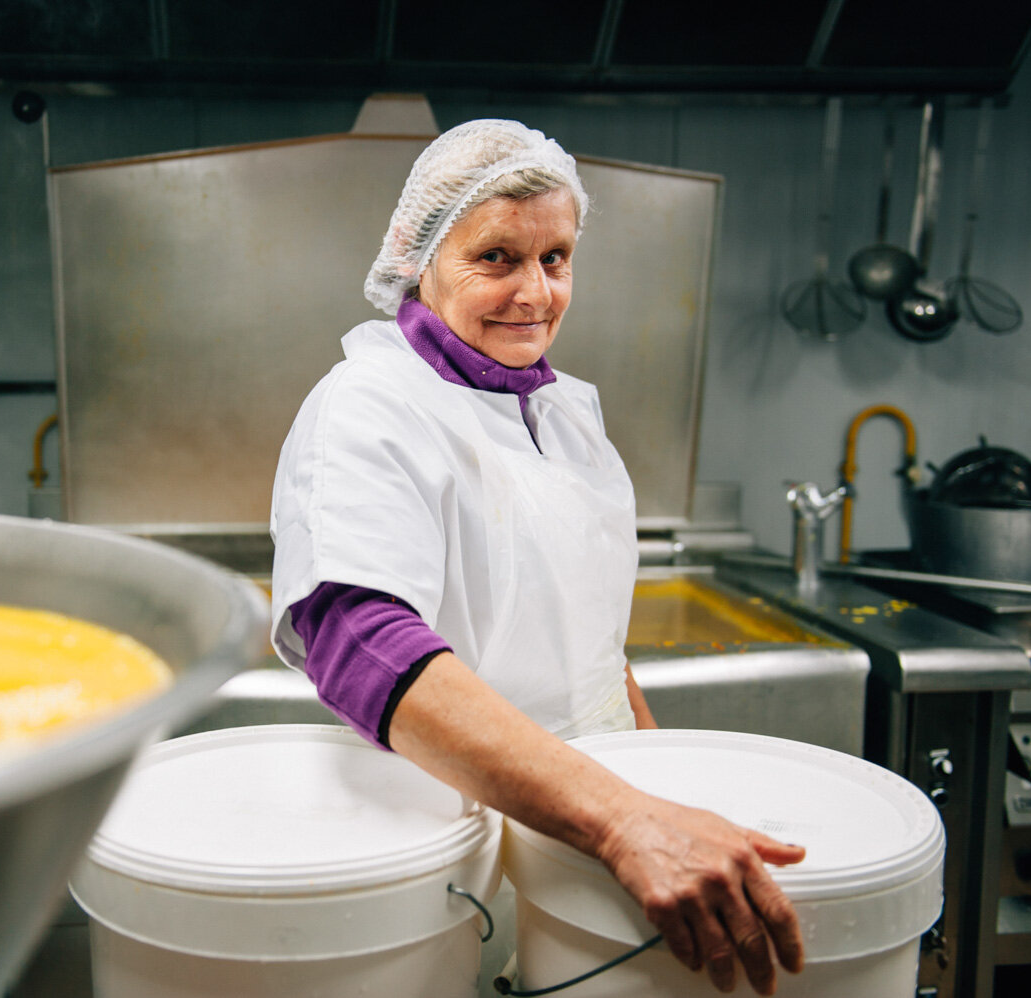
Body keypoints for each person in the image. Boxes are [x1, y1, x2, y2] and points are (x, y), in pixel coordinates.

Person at [269, 120, 806, 995]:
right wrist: (626, 820)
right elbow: (362, 646)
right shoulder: (369, 406)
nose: (535, 293)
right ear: (419, 256)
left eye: (555, 258)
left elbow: (591, 641)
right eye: (496, 258)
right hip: (461, 850)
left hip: (593, 845)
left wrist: (661, 790)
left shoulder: (561, 411)